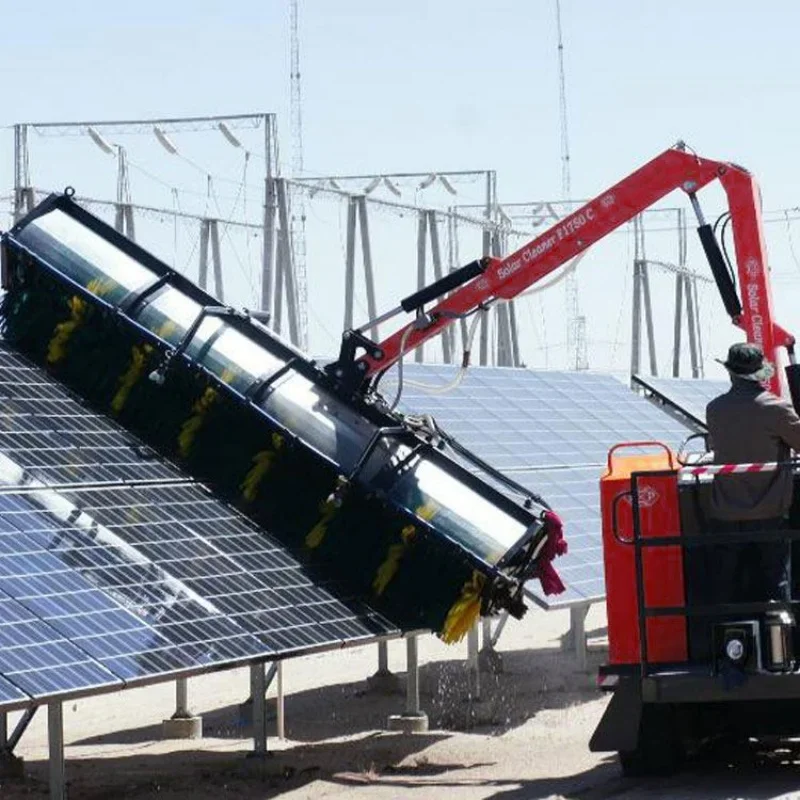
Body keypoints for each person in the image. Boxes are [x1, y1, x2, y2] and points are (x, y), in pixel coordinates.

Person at [705, 342, 800, 604]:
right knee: (776, 586)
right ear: (762, 372)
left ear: (731, 373)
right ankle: (780, 640)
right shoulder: (776, 408)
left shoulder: (715, 409)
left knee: (725, 586)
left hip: (725, 512)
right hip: (770, 512)